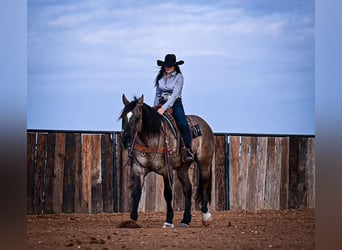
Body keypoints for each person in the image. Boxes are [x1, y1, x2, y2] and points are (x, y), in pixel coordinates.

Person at [153, 54, 194, 163]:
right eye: (166, 65)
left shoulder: (179, 77)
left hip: (175, 103)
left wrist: (163, 108)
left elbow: (175, 95)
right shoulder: (161, 77)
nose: (167, 67)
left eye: (170, 65)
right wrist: (155, 108)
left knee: (183, 124)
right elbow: (158, 94)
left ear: (175, 66)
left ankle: (188, 149)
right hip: (161, 102)